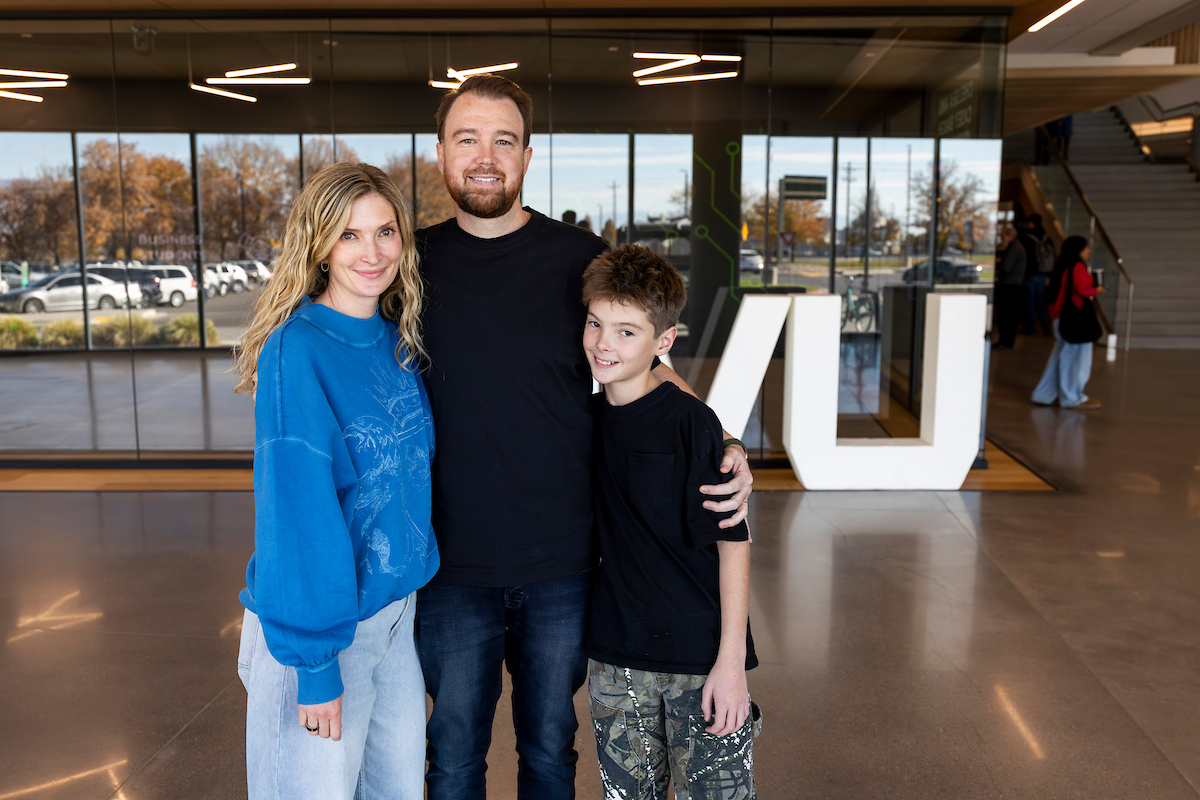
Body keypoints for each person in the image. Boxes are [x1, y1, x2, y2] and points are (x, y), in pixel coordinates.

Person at [415, 74, 753, 800]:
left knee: (548, 751)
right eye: (466, 139)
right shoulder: (408, 265)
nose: (484, 156)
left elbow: (648, 358)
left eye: (503, 141)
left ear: (528, 157)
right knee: (451, 757)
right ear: (440, 153)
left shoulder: (575, 258)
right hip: (445, 566)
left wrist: (726, 441)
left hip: (562, 566)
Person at [232, 162, 439, 799]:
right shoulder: (297, 350)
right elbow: (296, 516)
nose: (371, 252)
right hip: (321, 631)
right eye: (349, 235)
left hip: (392, 621)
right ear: (319, 245)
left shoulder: (393, 339)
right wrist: (317, 667)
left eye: (385, 232)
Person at [582, 244, 760, 800]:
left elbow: (734, 542)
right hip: (616, 656)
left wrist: (731, 662)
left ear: (664, 344)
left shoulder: (691, 422)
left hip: (699, 658)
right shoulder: (585, 420)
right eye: (595, 324)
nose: (604, 343)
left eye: (626, 332)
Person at [1032, 235, 1105, 410]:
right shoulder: (1078, 266)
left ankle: (1045, 394)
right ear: (1078, 249)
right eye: (1086, 247)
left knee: (1059, 359)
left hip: (1061, 318)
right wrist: (1097, 290)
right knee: (1076, 360)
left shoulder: (1062, 265)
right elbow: (1082, 289)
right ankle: (1072, 397)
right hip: (1075, 320)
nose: (1088, 251)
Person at [992, 224, 1026, 350]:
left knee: (1007, 315)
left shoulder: (1014, 248)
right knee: (1008, 315)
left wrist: (999, 265)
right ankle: (1005, 340)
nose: (1001, 237)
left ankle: (1005, 341)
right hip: (1012, 284)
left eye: (1003, 235)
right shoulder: (1015, 247)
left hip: (1010, 285)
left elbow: (1006, 266)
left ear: (1009, 235)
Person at [1019, 214, 1053, 335]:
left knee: (1030, 301)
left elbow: (1023, 257)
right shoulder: (1046, 237)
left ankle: (1031, 327)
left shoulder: (1025, 238)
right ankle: (1045, 326)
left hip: (1030, 273)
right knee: (1040, 300)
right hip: (1043, 272)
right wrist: (1049, 274)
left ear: (1031, 223)